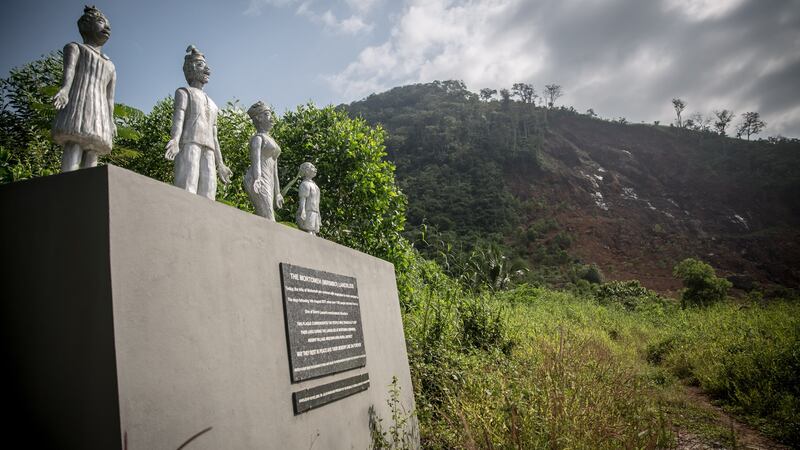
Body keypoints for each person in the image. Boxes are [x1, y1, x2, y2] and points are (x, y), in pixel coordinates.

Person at [52, 5, 116, 172]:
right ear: (86, 25)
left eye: (108, 24)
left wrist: (111, 119)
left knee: (93, 150)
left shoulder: (110, 65)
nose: (107, 28)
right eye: (101, 22)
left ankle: (89, 188)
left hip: (100, 109)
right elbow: (70, 71)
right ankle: (68, 183)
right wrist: (65, 90)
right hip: (80, 101)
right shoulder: (75, 48)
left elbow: (110, 97)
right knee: (74, 143)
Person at [164, 45, 232, 200]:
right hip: (190, 142)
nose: (207, 69)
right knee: (188, 186)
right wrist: (175, 139)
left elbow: (215, 137)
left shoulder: (214, 104)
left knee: (209, 192)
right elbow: (179, 118)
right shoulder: (184, 92)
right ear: (191, 69)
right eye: (201, 65)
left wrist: (220, 163)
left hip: (209, 149)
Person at [244, 101, 283, 220]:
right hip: (258, 179)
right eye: (267, 114)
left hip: (268, 179)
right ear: (259, 118)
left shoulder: (272, 141)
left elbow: (274, 169)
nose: (271, 118)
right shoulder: (258, 138)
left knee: (265, 215)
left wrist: (278, 192)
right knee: (268, 216)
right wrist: (257, 178)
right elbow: (255, 159)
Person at [296, 162, 320, 235]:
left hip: (315, 211)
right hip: (308, 211)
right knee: (309, 230)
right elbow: (303, 198)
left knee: (314, 231)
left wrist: (318, 214)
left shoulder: (315, 186)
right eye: (312, 167)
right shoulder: (305, 184)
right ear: (306, 170)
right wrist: (302, 210)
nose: (315, 169)